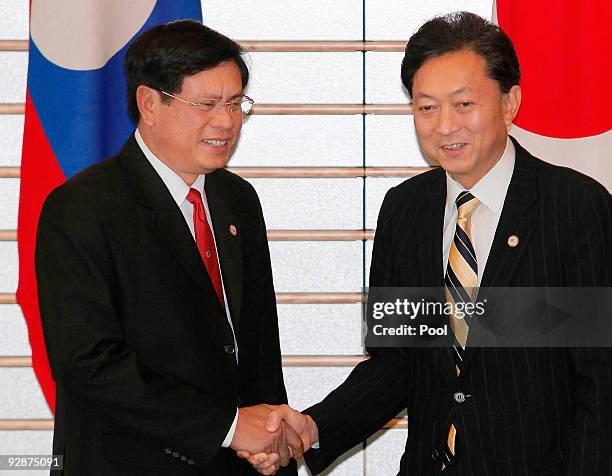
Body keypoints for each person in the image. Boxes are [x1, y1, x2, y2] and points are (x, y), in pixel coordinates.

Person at [241, 11, 612, 475]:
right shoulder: (405, 210)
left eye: (464, 104)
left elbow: (602, 383)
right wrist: (313, 428)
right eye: (426, 107)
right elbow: (397, 363)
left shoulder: (575, 208)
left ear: (510, 101)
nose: (444, 127)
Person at [35, 20, 300, 475]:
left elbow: (257, 348)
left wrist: (272, 442)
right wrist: (229, 427)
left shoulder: (238, 200)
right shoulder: (82, 207)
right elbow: (87, 364)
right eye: (207, 104)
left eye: (236, 103)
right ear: (149, 103)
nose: (227, 121)